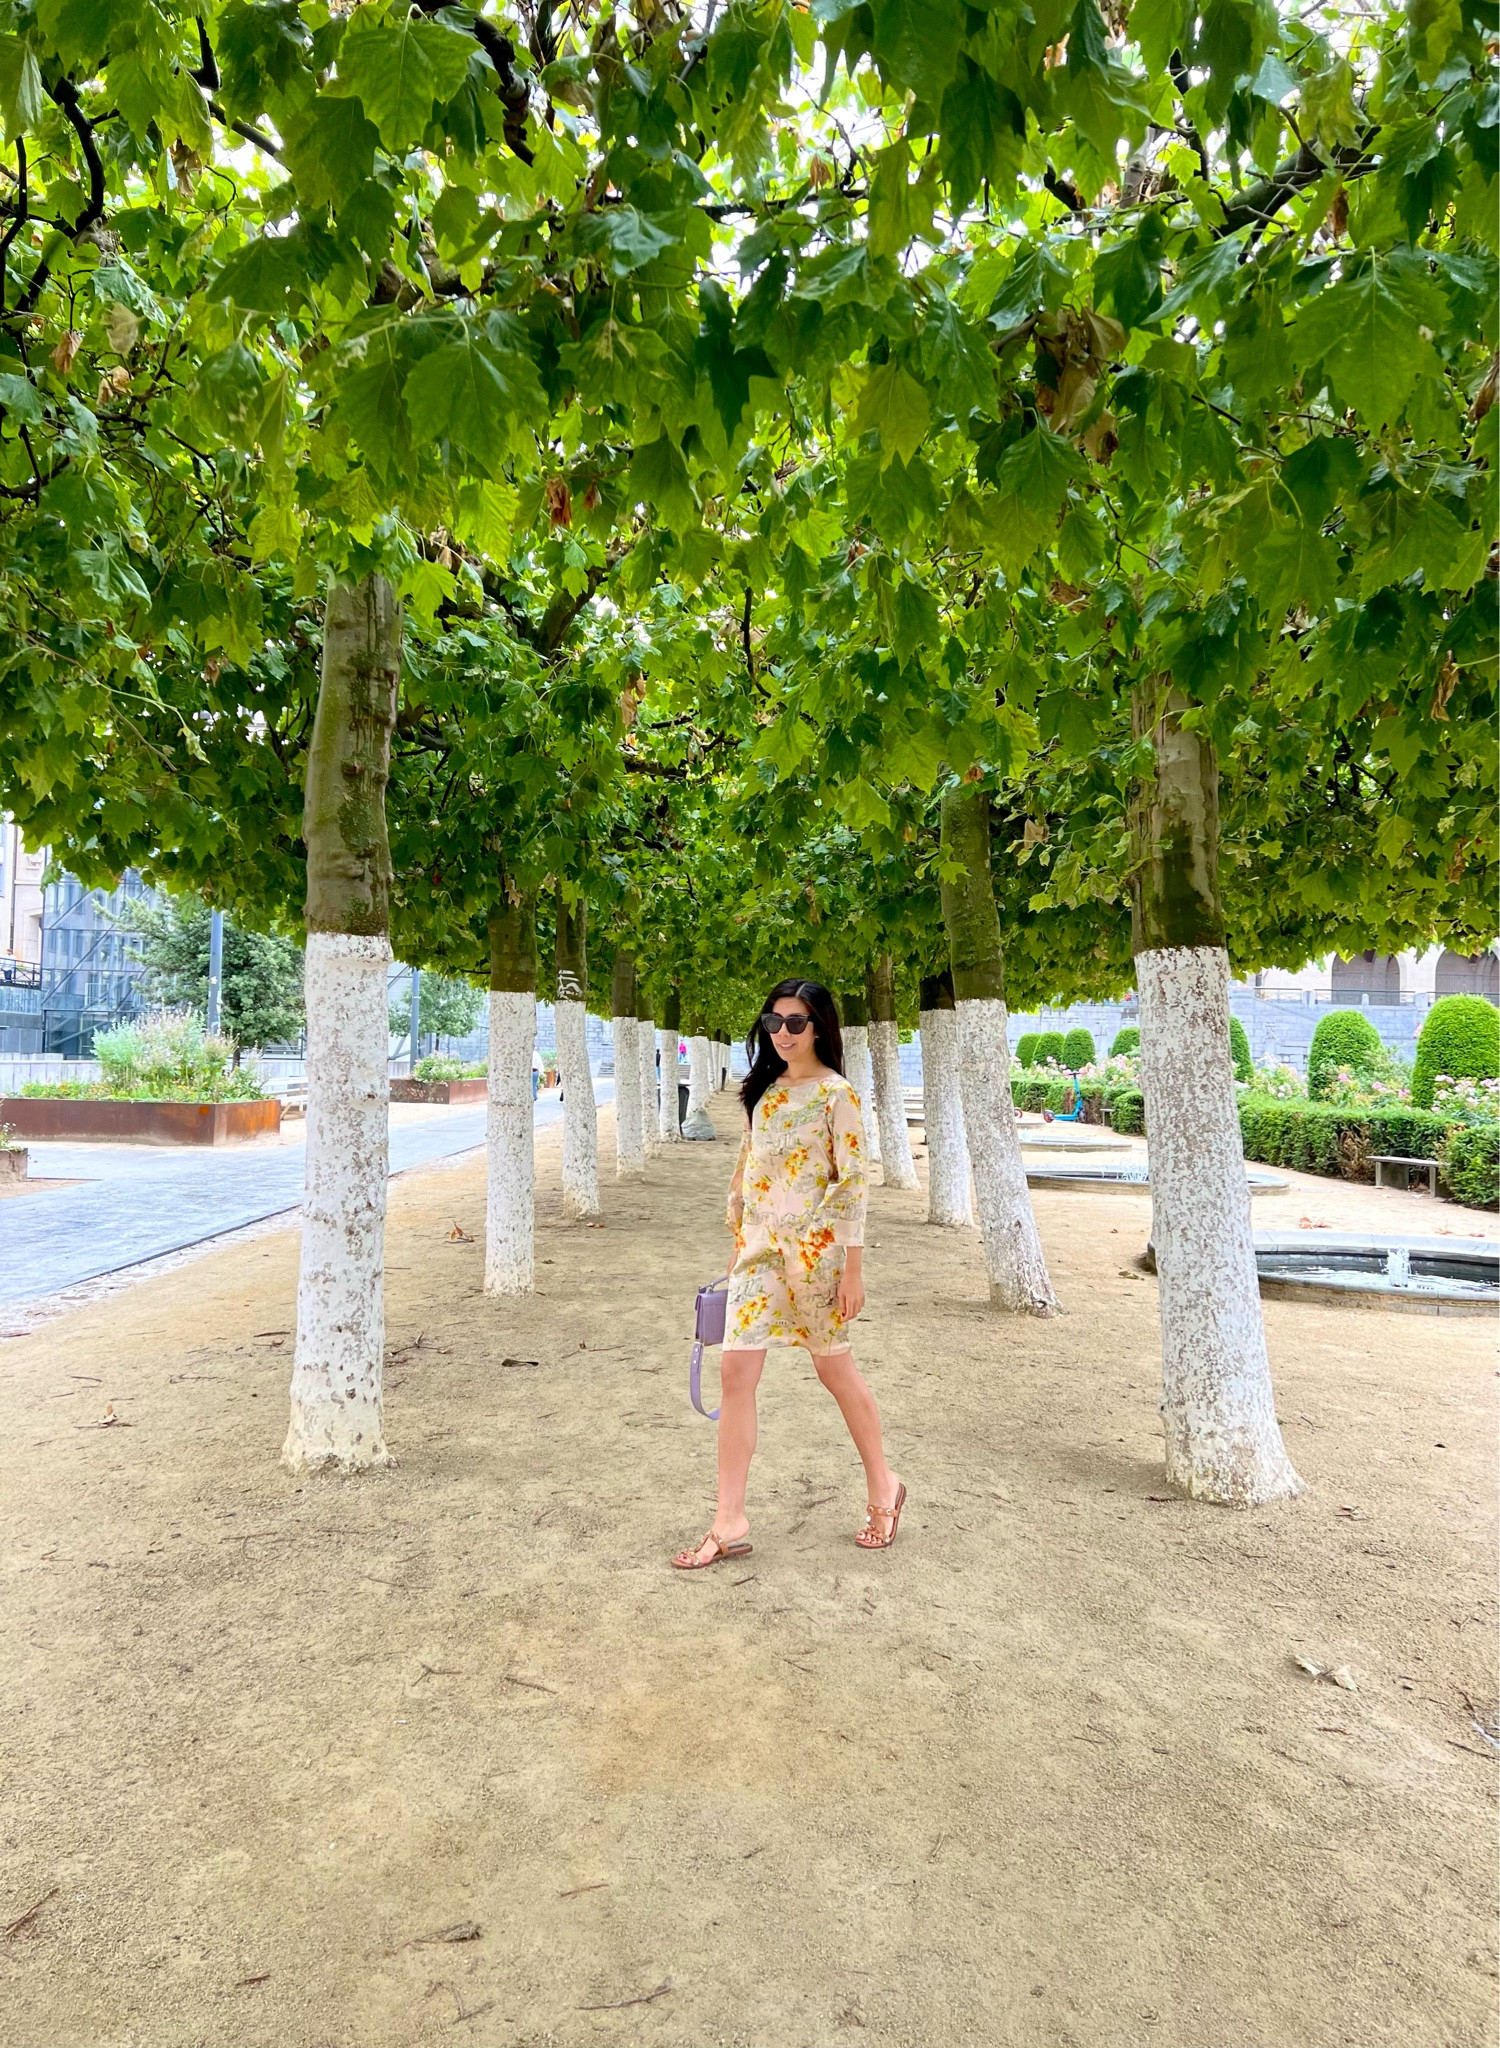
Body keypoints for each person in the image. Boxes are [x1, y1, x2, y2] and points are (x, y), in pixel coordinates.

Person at [672, 978, 906, 1570]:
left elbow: (852, 1184)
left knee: (835, 1372)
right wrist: (738, 1244)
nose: (782, 1033)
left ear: (820, 1027)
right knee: (734, 1373)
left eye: (796, 1022)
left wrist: (853, 1270)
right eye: (773, 1022)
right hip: (759, 1255)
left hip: (816, 1259)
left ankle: (884, 1484)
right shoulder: (764, 1092)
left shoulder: (837, 1096)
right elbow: (747, 1168)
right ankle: (729, 1519)